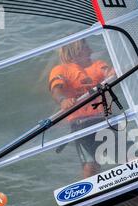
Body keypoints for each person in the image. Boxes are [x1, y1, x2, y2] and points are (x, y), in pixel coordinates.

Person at [49, 40, 115, 179]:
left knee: (129, 153)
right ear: (74, 53)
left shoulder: (97, 65)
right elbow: (56, 89)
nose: (91, 51)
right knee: (91, 165)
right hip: (82, 124)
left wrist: (111, 73)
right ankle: (90, 195)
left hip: (106, 119)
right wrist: (63, 100)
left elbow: (106, 72)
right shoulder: (61, 70)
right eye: (86, 49)